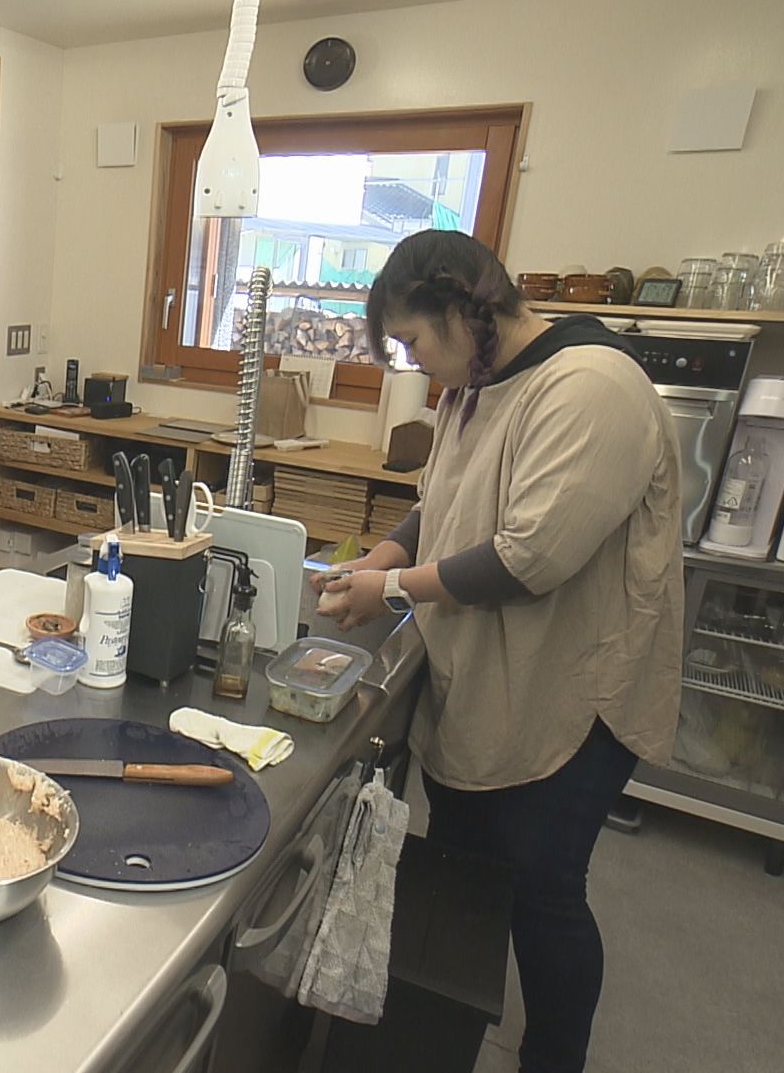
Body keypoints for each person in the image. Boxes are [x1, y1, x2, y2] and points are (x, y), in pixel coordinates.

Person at [314, 230, 682, 1073]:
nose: (414, 361)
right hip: (489, 675)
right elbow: (437, 497)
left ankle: (553, 1059)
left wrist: (393, 593)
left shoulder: (591, 389)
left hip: (574, 691)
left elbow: (529, 557)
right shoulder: (477, 383)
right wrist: (387, 554)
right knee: (467, 873)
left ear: (457, 308)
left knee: (543, 893)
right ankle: (444, 1033)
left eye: (412, 341)